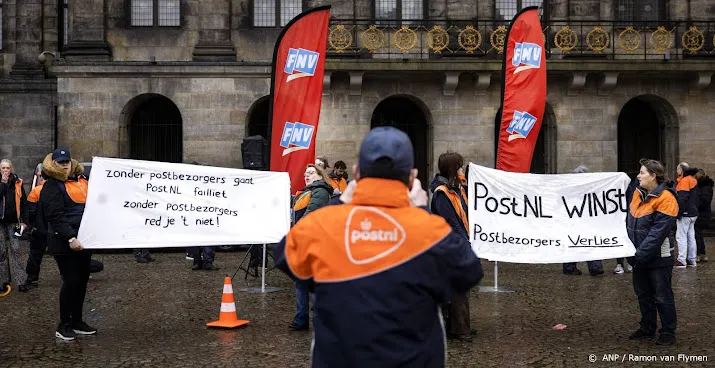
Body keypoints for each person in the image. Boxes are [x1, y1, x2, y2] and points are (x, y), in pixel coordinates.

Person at [274, 127, 483, 366]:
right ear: (412, 178)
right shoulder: (429, 232)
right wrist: (420, 212)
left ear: (356, 173)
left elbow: (284, 254)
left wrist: (340, 203)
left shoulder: (322, 226)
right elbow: (469, 269)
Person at [40, 148, 97, 341]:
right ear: (53, 163)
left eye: (67, 162)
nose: (65, 165)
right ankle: (63, 324)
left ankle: (77, 321)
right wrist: (70, 238)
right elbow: (55, 216)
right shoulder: (52, 186)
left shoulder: (82, 181)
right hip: (64, 242)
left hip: (84, 241)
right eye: (61, 162)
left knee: (81, 282)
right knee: (71, 281)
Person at [626, 158, 677, 346]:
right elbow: (629, 222)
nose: (638, 176)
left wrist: (639, 255)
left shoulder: (667, 198)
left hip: (658, 258)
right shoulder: (637, 194)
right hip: (638, 256)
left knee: (662, 295)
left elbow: (657, 233)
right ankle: (647, 327)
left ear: (653, 175)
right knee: (643, 294)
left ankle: (668, 332)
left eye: (642, 173)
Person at [429, 151, 474, 342]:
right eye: (460, 166)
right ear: (453, 169)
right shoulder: (442, 194)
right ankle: (460, 330)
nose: (462, 169)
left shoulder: (457, 189)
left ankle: (457, 326)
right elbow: (451, 222)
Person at [288, 164, 333, 330]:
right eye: (306, 173)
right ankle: (302, 319)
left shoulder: (320, 191)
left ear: (320, 176)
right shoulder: (307, 191)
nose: (307, 175)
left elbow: (311, 214)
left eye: (311, 173)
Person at [562, 166, 604, 276]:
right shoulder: (590, 187)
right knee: (590, 241)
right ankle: (595, 267)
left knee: (573, 242)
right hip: (584, 220)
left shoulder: (569, 189)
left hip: (574, 221)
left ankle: (570, 267)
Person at [0, 159, 29, 293]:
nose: (5, 170)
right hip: (0, 223)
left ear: (11, 169)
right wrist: (3, 183)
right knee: (2, 252)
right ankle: (4, 280)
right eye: (3, 168)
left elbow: (23, 204)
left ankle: (21, 281)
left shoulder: (17, 183)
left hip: (14, 222)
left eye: (7, 168)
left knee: (16, 250)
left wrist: (25, 221)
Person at [25, 169, 47, 286]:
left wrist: (32, 225)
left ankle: (32, 277)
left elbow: (31, 211)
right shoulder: (59, 189)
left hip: (40, 227)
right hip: (55, 228)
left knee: (35, 254)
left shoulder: (36, 191)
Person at [675, 162, 699, 268]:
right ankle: (692, 259)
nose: (677, 171)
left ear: (681, 170)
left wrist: (679, 213)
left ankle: (681, 260)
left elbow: (682, 198)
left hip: (685, 213)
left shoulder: (684, 181)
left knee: (681, 236)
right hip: (693, 212)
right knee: (691, 237)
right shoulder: (693, 179)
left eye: (678, 169)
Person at [695, 169, 713, 262]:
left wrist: (695, 204)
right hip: (703, 214)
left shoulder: (704, 187)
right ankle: (702, 253)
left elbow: (704, 201)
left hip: (702, 214)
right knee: (699, 234)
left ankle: (698, 253)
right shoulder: (705, 186)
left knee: (696, 234)